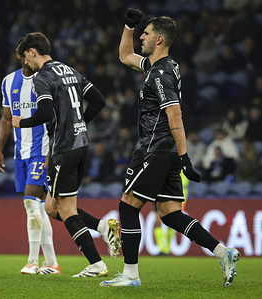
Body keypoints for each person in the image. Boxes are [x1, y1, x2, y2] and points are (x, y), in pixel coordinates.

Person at [100, 9, 240, 287]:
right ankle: (223, 252)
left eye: (147, 33)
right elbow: (125, 56)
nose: (142, 36)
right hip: (166, 149)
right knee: (169, 213)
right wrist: (129, 26)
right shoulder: (161, 67)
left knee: (127, 206)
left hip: (156, 147)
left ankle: (130, 275)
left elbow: (175, 114)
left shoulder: (160, 74)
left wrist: (185, 156)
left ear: (160, 39)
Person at [13, 32, 120, 278]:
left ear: (32, 51)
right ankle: (103, 227)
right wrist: (81, 123)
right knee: (53, 207)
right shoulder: (70, 70)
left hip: (64, 149)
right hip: (82, 145)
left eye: (24, 59)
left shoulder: (43, 77)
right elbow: (99, 100)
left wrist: (21, 122)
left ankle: (96, 264)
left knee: (66, 210)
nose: (25, 65)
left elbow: (45, 113)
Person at [0, 41, 60, 275]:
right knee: (39, 210)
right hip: (20, 152)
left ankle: (32, 261)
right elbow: (5, 118)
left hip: (42, 151)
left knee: (31, 203)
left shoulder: (47, 79)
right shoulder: (8, 81)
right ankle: (51, 263)